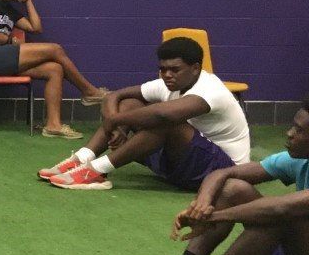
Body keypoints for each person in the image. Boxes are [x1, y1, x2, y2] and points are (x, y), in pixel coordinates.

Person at [114, 99, 309, 255]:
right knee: (234, 189)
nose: (289, 133)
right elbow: (222, 174)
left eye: (299, 130)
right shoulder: (300, 160)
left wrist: (214, 216)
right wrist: (202, 205)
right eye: (293, 126)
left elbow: (282, 210)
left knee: (282, 217)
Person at [41, 37, 250, 191]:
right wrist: (116, 125)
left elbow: (163, 115)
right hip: (180, 165)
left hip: (223, 173)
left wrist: (114, 121)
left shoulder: (211, 90)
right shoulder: (168, 83)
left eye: (175, 69)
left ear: (195, 68)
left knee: (166, 121)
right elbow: (114, 96)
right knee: (131, 103)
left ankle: (95, 171)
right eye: (163, 69)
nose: (167, 75)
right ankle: (81, 158)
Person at [0, 0, 107, 139]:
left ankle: (53, 125)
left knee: (55, 69)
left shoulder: (10, 10)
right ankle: (89, 92)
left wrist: (28, 1)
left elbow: (36, 28)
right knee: (55, 49)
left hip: (4, 60)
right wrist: (9, 41)